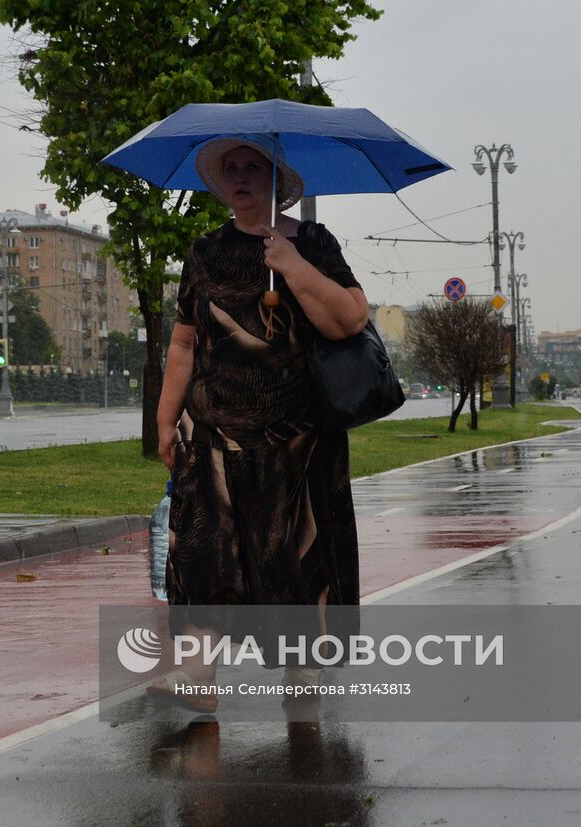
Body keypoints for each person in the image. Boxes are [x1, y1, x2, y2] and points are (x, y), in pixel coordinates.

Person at [149, 134, 368, 709]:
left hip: (297, 438)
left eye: (253, 167)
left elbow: (348, 320)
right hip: (214, 431)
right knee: (205, 552)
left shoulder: (314, 243)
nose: (241, 176)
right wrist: (166, 419)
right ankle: (199, 675)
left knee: (292, 553)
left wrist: (292, 266)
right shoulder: (204, 251)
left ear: (277, 179)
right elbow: (183, 342)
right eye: (232, 169)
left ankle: (300, 672)